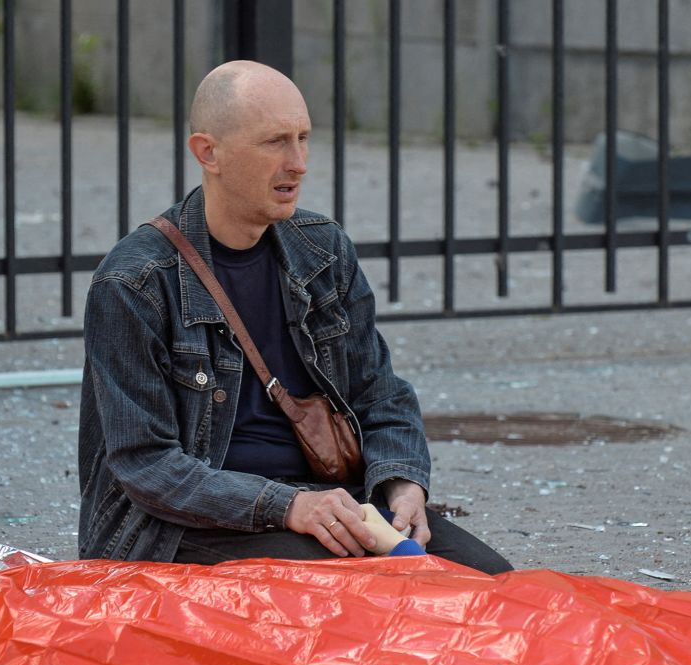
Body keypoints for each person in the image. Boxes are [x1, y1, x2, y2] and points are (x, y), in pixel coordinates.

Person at [77, 60, 512, 574]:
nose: (299, 162)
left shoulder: (321, 248)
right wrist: (288, 506)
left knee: (498, 587)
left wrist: (403, 483)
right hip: (180, 530)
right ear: (208, 152)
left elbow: (380, 393)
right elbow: (148, 466)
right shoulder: (134, 281)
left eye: (303, 138)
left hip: (330, 502)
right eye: (275, 142)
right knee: (378, 597)